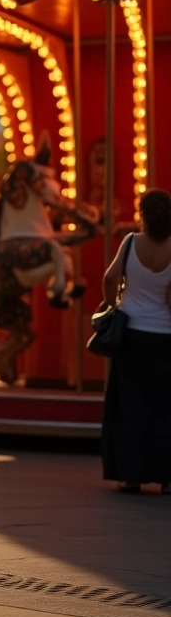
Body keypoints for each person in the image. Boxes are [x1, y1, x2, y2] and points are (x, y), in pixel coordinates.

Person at [100, 189, 171, 495]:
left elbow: (109, 276)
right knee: (164, 407)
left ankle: (131, 475)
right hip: (165, 335)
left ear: (142, 215)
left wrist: (110, 303)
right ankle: (167, 476)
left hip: (131, 334)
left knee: (130, 405)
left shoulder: (130, 242)